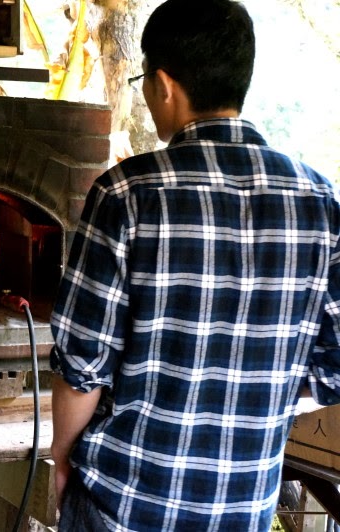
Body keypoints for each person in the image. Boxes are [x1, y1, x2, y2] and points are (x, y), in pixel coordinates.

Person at [49, 0, 340, 530]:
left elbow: (81, 369)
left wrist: (61, 458)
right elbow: (335, 368)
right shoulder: (321, 200)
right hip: (243, 507)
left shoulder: (126, 193)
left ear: (163, 84)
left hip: (123, 503)